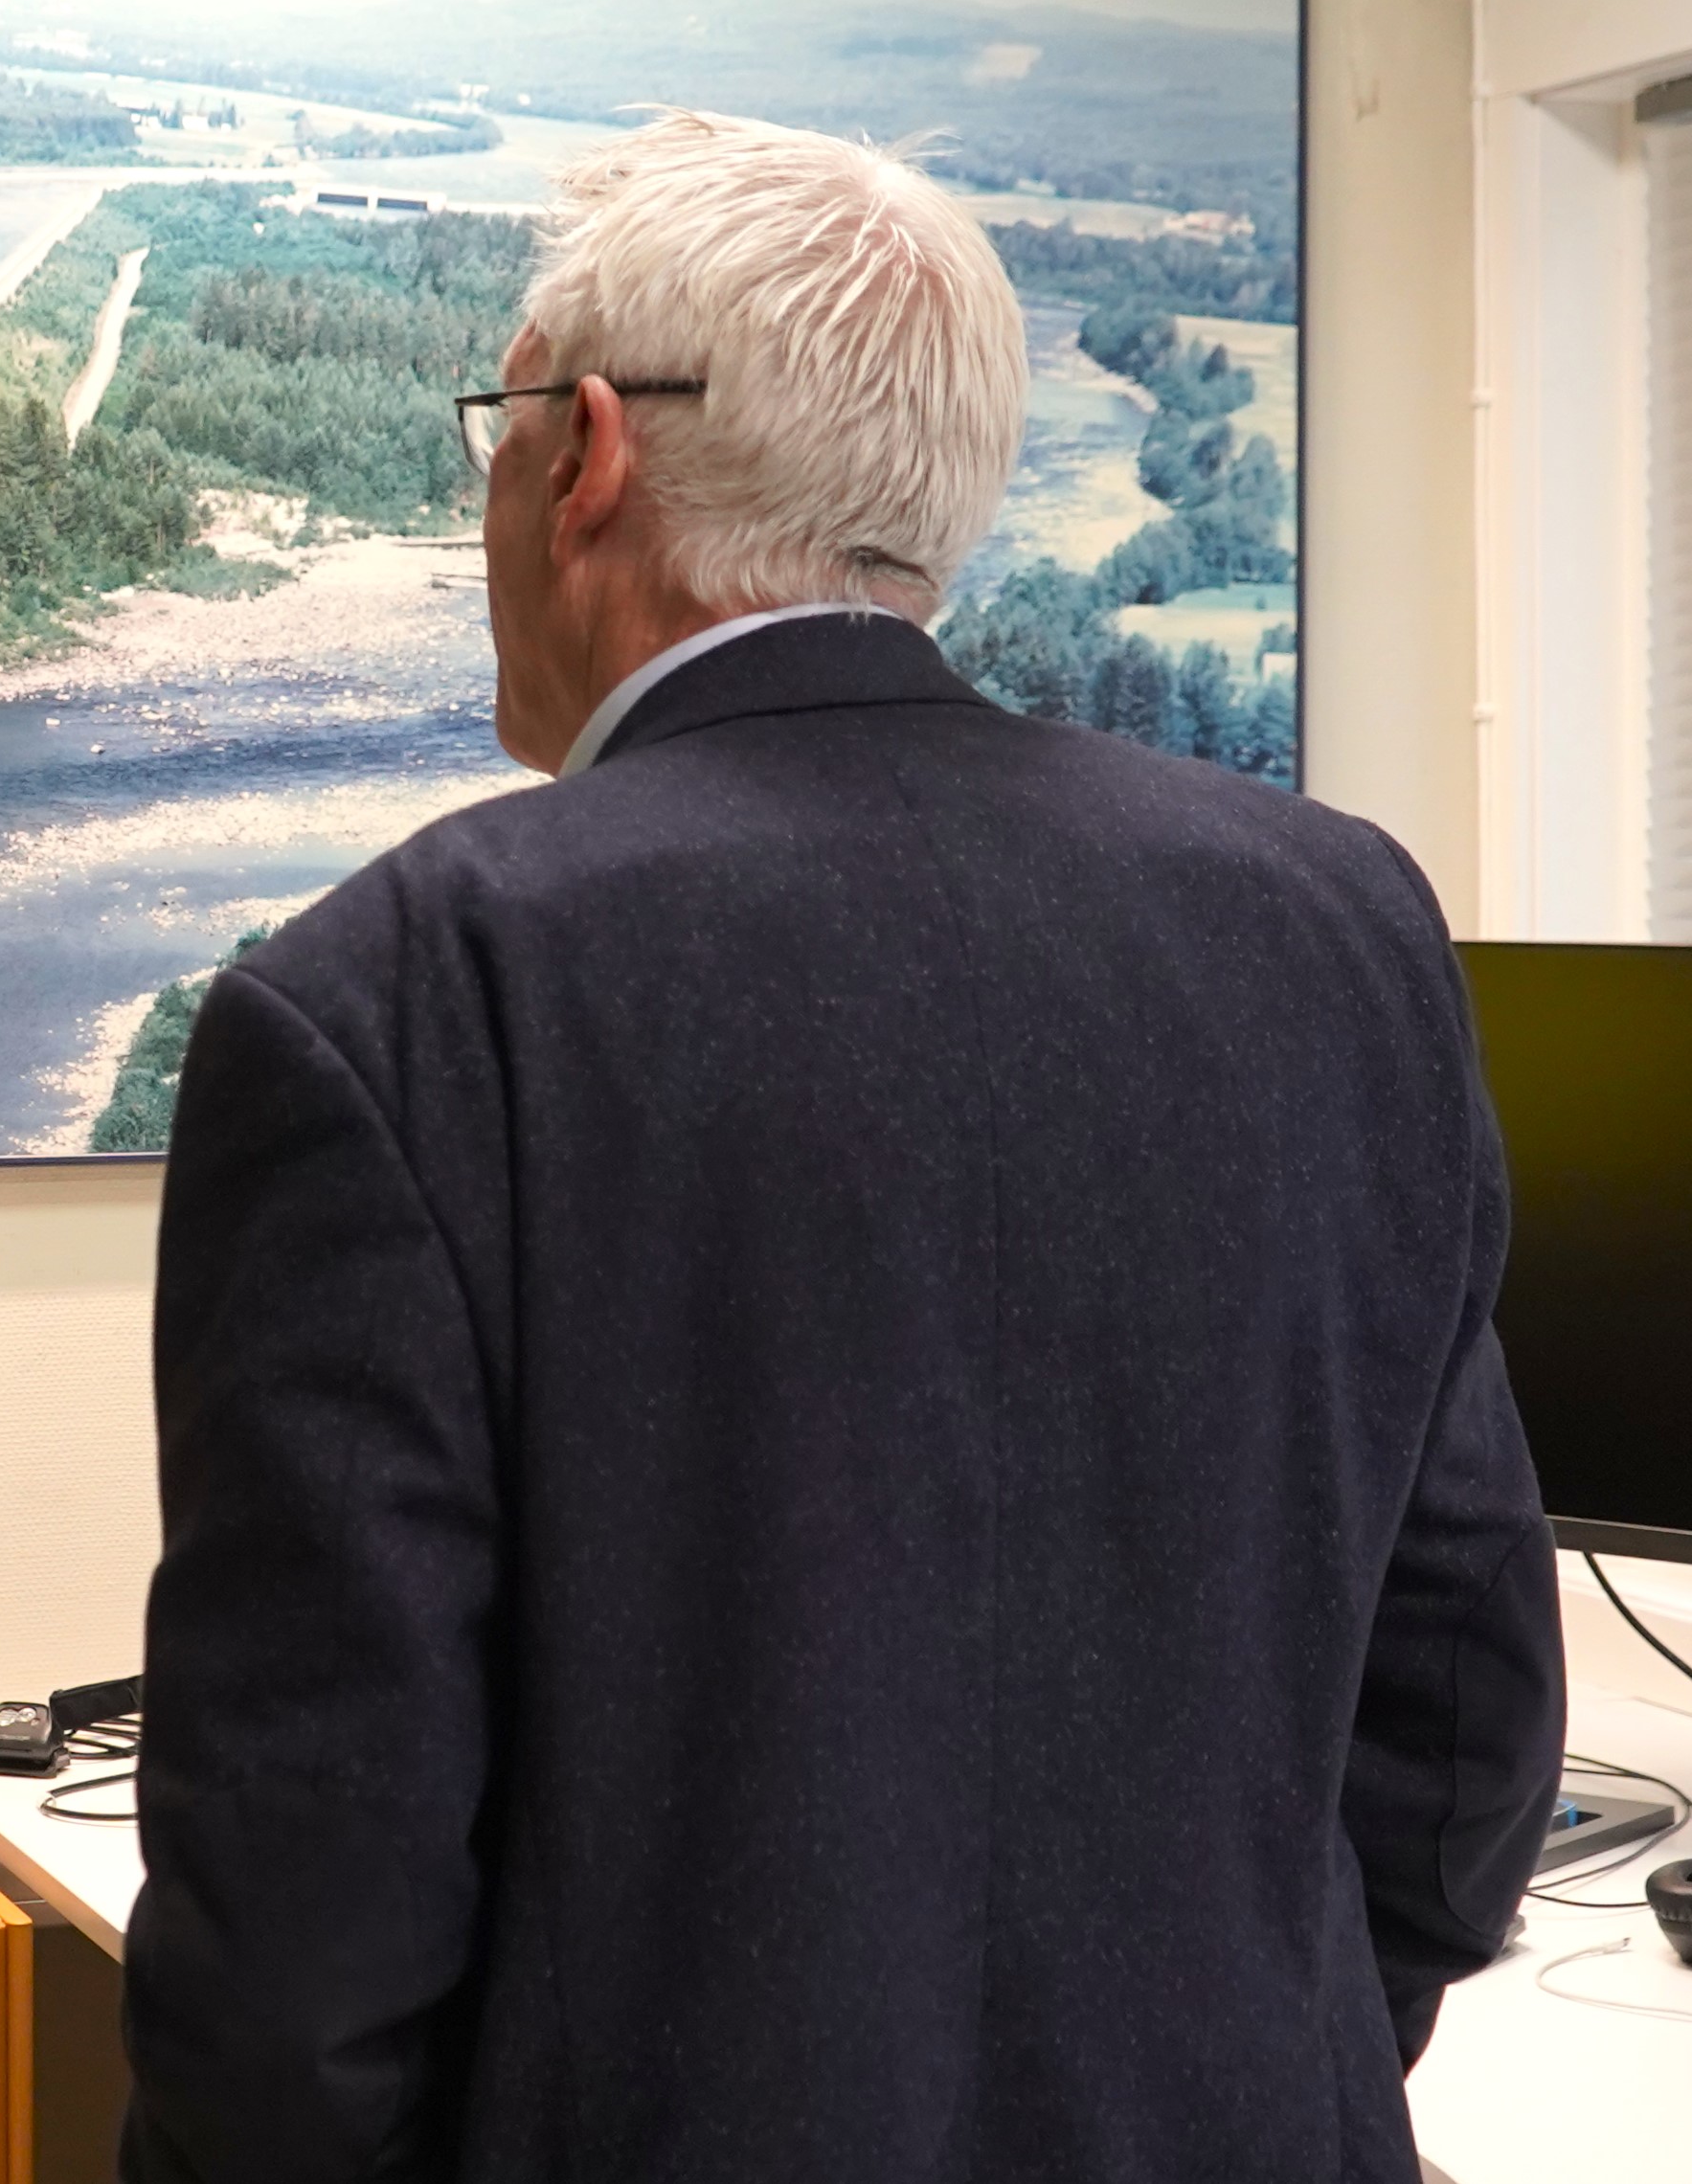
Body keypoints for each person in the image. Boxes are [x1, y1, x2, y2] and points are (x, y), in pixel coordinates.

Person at [123, 114, 1563, 2182]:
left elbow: (301, 1930)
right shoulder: (1341, 933)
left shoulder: (405, 1001)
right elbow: (1460, 1754)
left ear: (585, 454)